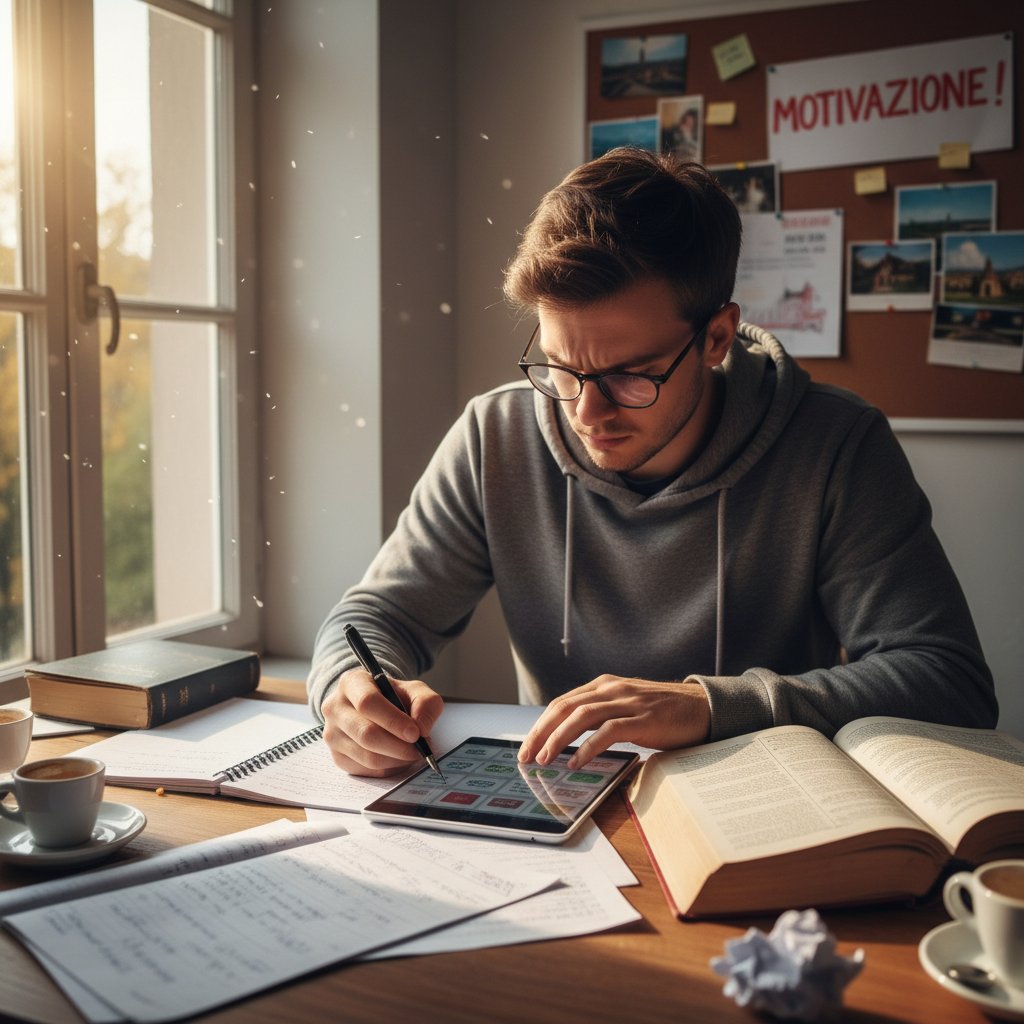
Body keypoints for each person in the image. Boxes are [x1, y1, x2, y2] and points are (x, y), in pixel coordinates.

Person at [308, 147, 996, 778]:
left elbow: (948, 679)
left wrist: (708, 708)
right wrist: (348, 687)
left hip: (767, 806)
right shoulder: (497, 434)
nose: (585, 411)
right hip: (565, 797)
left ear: (717, 337)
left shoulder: (837, 445)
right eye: (559, 366)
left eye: (632, 376)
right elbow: (374, 618)